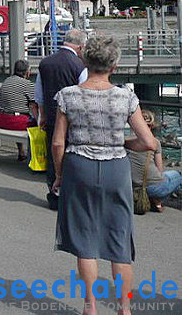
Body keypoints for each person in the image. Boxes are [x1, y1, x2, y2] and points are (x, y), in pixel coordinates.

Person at [52, 35, 158, 315]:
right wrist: (123, 144)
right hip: (115, 168)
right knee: (119, 238)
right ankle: (124, 309)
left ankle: (90, 307)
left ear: (85, 61)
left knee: (85, 239)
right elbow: (149, 142)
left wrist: (60, 175)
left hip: (79, 166)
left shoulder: (68, 95)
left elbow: (58, 143)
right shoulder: (126, 97)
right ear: (114, 65)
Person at [35, 28, 88, 210]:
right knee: (73, 156)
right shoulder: (79, 66)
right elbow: (85, 93)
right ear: (80, 46)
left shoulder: (45, 63)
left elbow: (39, 94)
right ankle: (72, 196)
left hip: (51, 117)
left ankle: (54, 193)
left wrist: (41, 115)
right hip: (73, 120)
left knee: (53, 156)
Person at [128, 110, 182, 213]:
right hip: (153, 188)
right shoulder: (155, 143)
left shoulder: (127, 142)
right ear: (152, 125)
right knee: (178, 175)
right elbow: (159, 170)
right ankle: (158, 200)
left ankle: (154, 199)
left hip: (132, 188)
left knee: (169, 175)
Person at [0, 60, 39, 161]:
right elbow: (34, 105)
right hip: (15, 122)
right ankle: (35, 157)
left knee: (21, 115)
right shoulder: (27, 84)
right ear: (27, 72)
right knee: (38, 125)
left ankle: (21, 151)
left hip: (1, 120)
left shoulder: (7, 80)